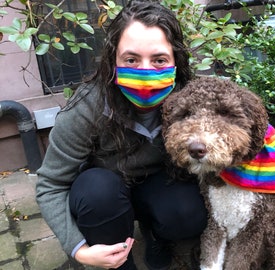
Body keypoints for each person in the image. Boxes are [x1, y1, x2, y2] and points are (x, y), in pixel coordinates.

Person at [35, 1, 207, 269]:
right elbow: (50, 185)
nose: (146, 72)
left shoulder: (191, 100)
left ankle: (157, 235)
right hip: (105, 192)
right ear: (113, 60)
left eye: (159, 60)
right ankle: (117, 260)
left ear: (176, 60)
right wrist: (77, 248)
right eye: (131, 60)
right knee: (97, 191)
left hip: (159, 184)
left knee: (188, 212)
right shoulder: (87, 106)